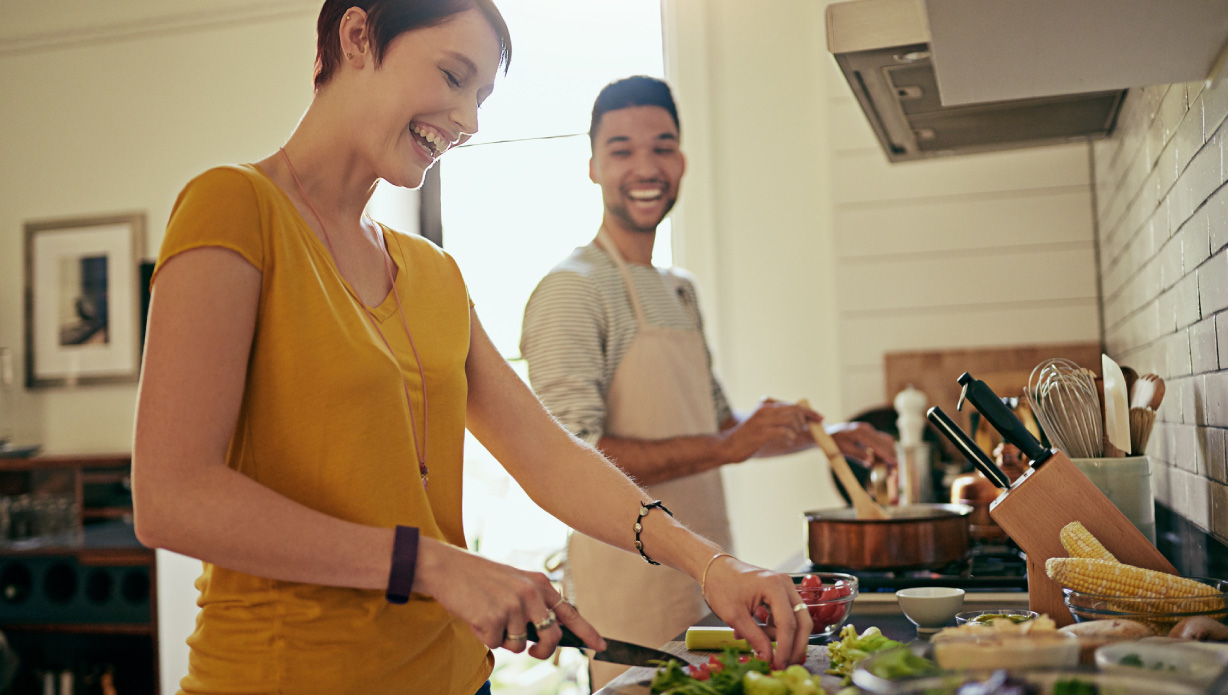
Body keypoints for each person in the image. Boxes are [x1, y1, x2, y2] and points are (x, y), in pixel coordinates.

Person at [131, 5, 810, 694]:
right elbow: (171, 496)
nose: (470, 121)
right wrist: (435, 564)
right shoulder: (234, 207)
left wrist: (711, 564)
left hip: (455, 678)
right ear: (358, 37)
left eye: (481, 97)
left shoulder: (433, 274)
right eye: (454, 77)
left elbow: (548, 456)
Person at [520, 76, 899, 688]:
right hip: (629, 597)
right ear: (592, 166)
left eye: (663, 146)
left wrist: (826, 435)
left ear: (683, 159)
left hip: (711, 581)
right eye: (622, 149)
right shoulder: (572, 289)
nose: (646, 166)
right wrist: (728, 444)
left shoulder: (679, 290)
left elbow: (723, 428)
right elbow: (572, 459)